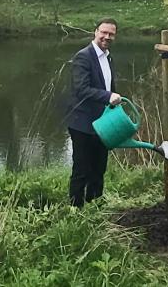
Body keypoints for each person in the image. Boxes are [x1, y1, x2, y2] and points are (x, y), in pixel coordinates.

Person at [66, 18, 122, 207]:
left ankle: (95, 204)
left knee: (99, 167)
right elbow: (81, 89)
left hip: (103, 123)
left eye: (111, 34)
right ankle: (75, 208)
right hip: (82, 123)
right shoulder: (83, 56)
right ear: (95, 32)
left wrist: (114, 108)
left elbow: (108, 86)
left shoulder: (108, 57)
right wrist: (108, 96)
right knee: (82, 168)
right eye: (104, 32)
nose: (107, 37)